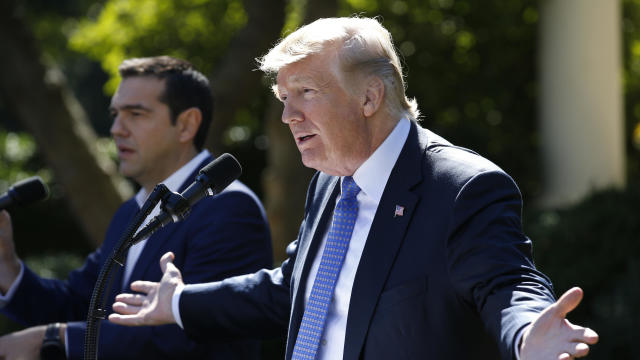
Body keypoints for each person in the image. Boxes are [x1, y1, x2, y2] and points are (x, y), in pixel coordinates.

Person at [109, 18, 599, 360]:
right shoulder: (329, 182)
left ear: (369, 96)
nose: (287, 115)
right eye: (283, 97)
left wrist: (527, 331)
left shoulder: (463, 188)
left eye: (306, 93)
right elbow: (294, 287)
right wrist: (178, 303)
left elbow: (507, 283)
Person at [0, 56, 273, 359]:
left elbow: (187, 335)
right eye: (115, 114)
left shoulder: (229, 207)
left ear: (186, 125)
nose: (116, 129)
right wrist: (7, 268)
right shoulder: (131, 211)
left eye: (135, 114)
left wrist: (52, 340)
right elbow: (81, 306)